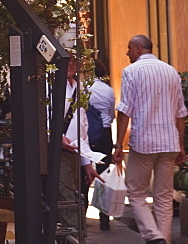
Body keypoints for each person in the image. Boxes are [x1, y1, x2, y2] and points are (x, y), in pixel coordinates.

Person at [113, 34, 187, 244]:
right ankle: (163, 239)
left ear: (138, 48)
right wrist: (180, 145)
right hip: (169, 142)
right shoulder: (171, 72)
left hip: (144, 142)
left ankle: (154, 237)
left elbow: (125, 110)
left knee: (136, 192)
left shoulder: (131, 71)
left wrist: (118, 145)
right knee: (163, 197)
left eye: (128, 48)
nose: (127, 53)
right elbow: (181, 113)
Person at [58, 56, 100, 237]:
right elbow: (40, 119)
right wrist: (55, 138)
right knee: (67, 202)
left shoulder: (80, 87)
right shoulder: (47, 86)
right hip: (57, 152)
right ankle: (76, 238)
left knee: (76, 201)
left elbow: (83, 126)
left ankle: (77, 237)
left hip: (76, 152)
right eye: (67, 59)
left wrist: (87, 162)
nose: (71, 64)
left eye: (75, 60)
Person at [87, 59, 116, 231]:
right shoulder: (108, 90)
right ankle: (104, 218)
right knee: (103, 174)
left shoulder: (83, 88)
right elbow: (111, 115)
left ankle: (81, 215)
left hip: (88, 132)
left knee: (83, 175)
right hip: (105, 133)